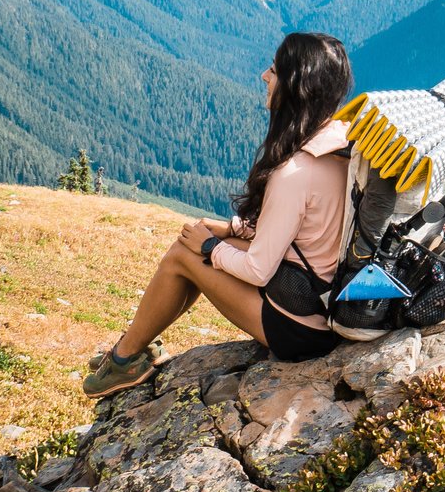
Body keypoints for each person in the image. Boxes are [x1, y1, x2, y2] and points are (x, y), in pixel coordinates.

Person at [83, 31, 354, 397]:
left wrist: (211, 246)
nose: (264, 75)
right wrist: (231, 229)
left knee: (184, 255)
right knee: (199, 249)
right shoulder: (341, 143)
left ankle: (124, 359)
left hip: (300, 330)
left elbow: (258, 269)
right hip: (324, 302)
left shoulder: (294, 173)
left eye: (273, 70)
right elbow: (306, 228)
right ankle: (137, 343)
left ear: (293, 85)